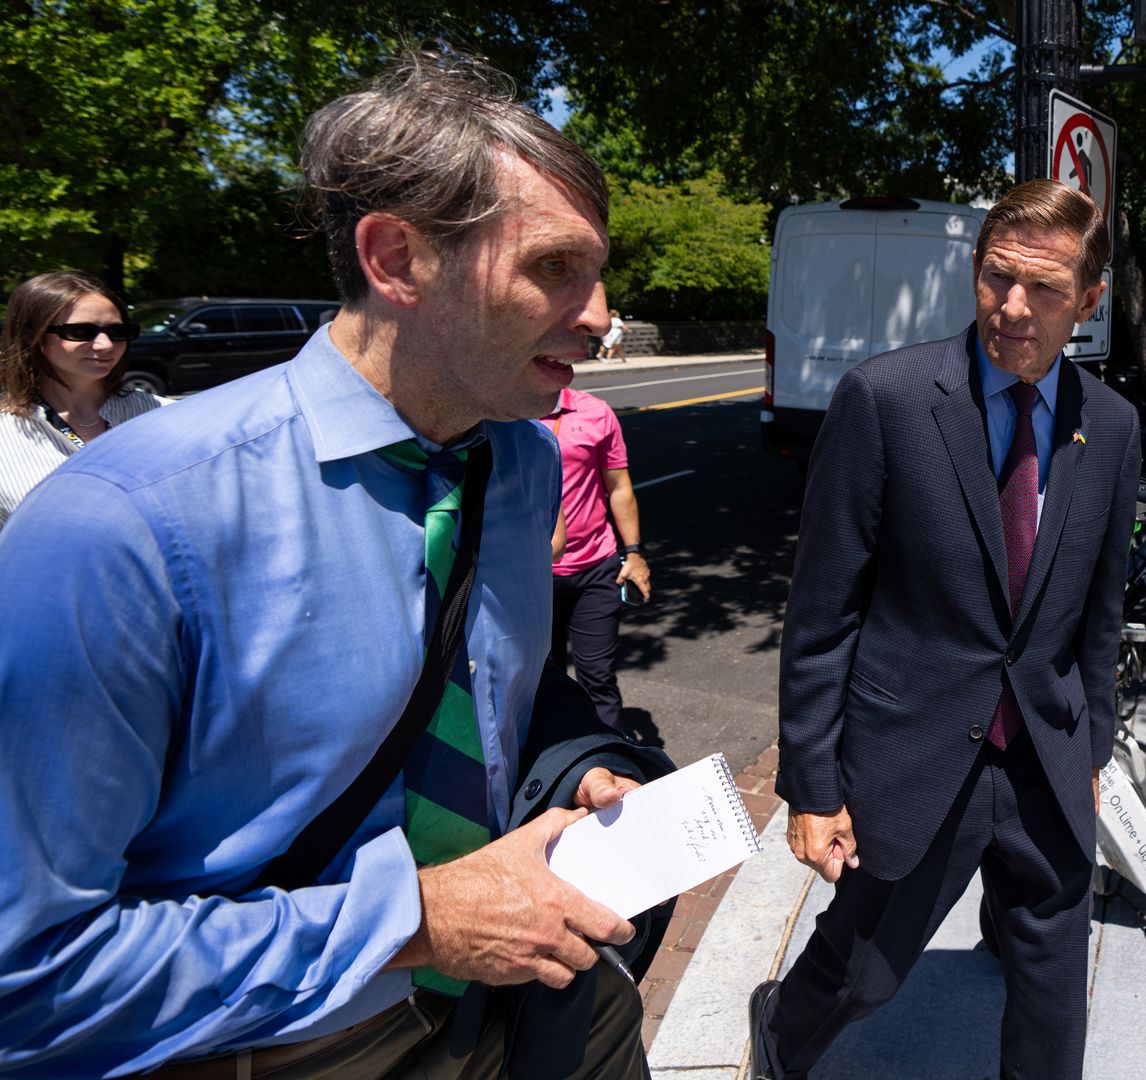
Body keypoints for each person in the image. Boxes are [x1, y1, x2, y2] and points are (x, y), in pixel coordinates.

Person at [0, 52, 657, 1076]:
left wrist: (575, 767)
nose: (600, 314)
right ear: (397, 259)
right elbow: (27, 974)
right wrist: (414, 923)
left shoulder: (520, 460)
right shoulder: (120, 525)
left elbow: (496, 697)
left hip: (531, 1001)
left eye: (597, 271)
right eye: (553, 267)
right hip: (282, 1042)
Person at [747, 179, 1140, 1080]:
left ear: (1087, 300)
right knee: (865, 972)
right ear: (973, 270)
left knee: (1051, 992)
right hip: (917, 753)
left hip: (1046, 753)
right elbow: (822, 609)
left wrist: (1094, 737)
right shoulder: (885, 399)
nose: (1012, 307)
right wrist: (812, 783)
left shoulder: (1112, 427)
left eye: (1044, 289)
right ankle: (780, 1034)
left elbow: (1100, 602)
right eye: (997, 278)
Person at [0, 270, 167, 527]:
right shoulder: (6, 432)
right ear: (31, 335)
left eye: (117, 331)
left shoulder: (164, 416)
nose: (105, 344)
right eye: (81, 332)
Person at [548, 384, 653, 732]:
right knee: (541, 680)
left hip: (596, 566)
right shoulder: (504, 411)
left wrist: (634, 553)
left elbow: (619, 487)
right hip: (531, 575)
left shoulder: (595, 412)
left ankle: (611, 758)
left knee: (598, 678)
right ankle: (552, 765)